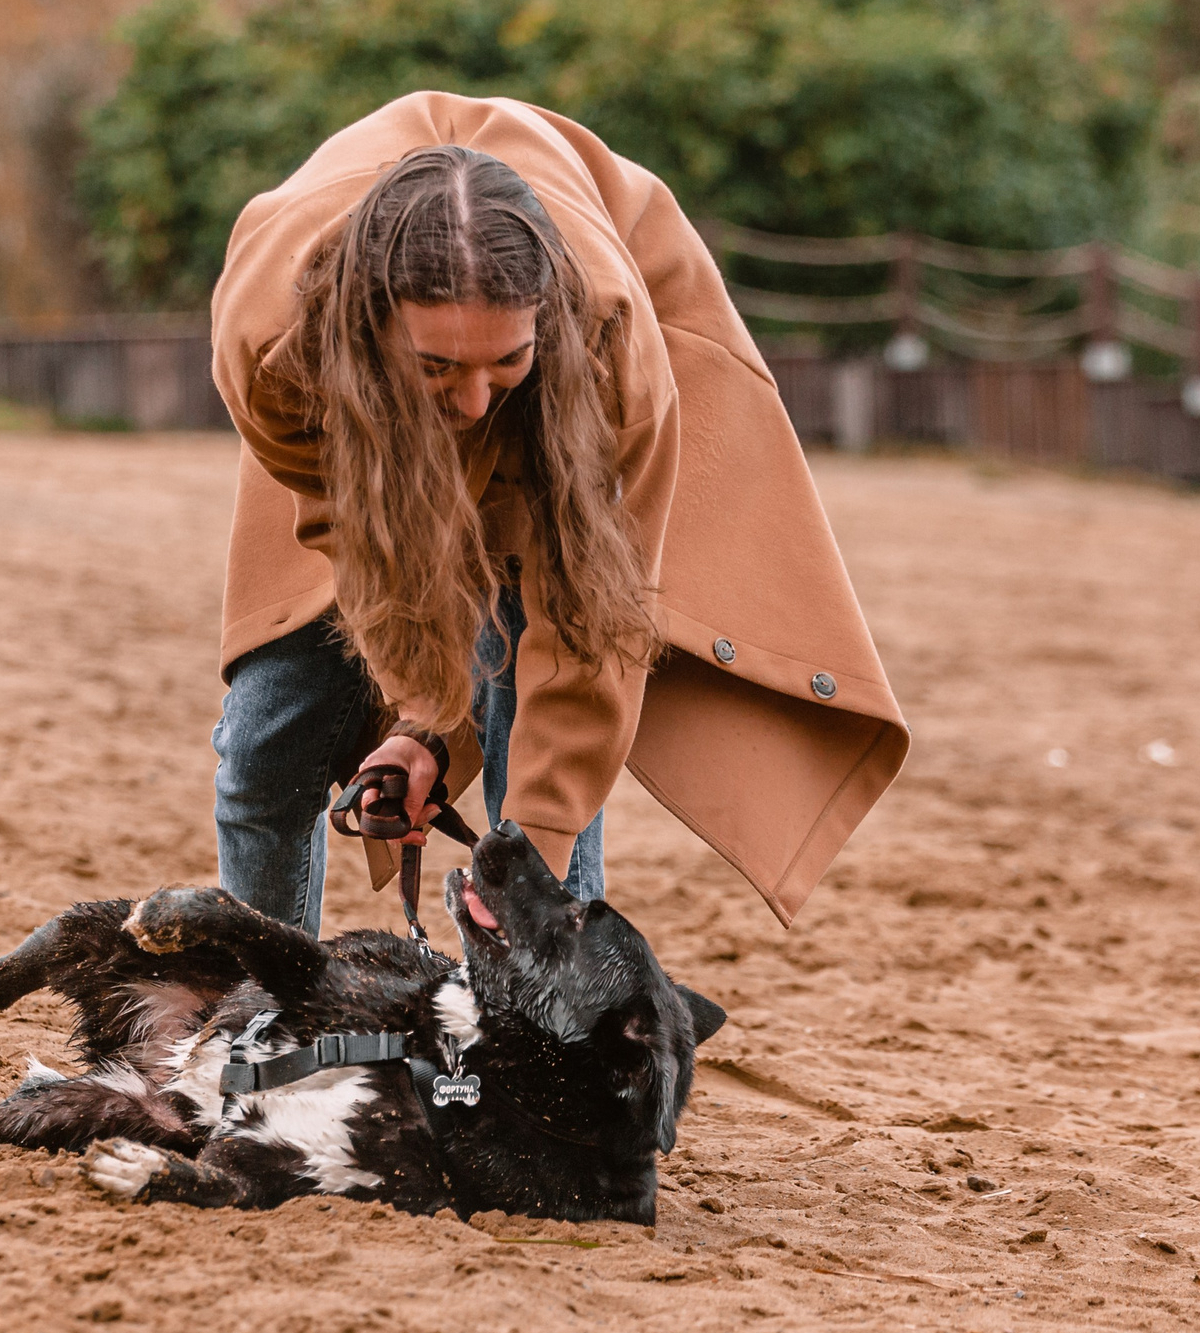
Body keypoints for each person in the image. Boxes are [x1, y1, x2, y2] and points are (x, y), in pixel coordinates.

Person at [209, 92, 907, 935]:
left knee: (528, 721)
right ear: (373, 330)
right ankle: (265, 1005)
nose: (471, 401)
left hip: (573, 408)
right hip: (361, 430)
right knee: (267, 737)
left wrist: (530, 859)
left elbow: (591, 632)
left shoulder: (615, 354)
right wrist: (421, 715)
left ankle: (539, 1040)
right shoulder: (275, 345)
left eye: (504, 358)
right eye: (438, 366)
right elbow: (359, 545)